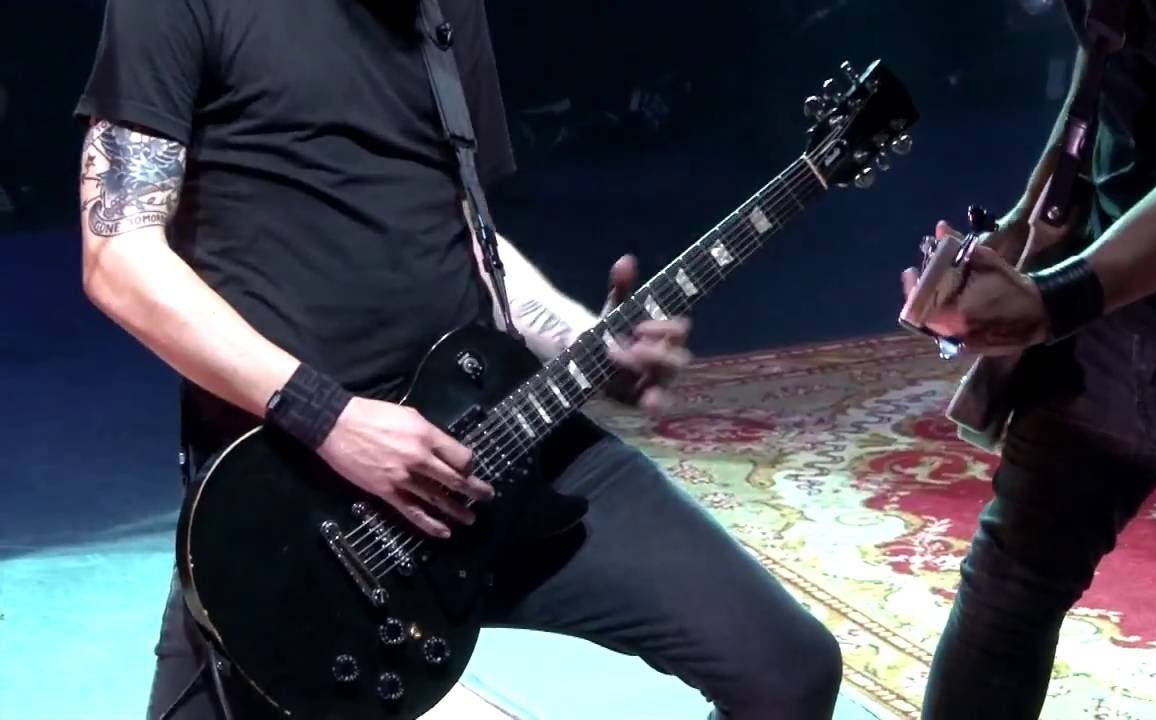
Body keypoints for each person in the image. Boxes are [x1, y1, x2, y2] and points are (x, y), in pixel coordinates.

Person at [75, 1, 843, 717]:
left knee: (788, 669)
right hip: (301, 501)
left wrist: (582, 339)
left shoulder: (444, 9)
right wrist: (331, 418)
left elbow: (464, 225)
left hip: (496, 439)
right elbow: (118, 257)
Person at [901, 1, 1156, 717]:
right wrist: (1025, 223)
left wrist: (1051, 300)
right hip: (1108, 326)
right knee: (1007, 588)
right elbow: (1108, 51)